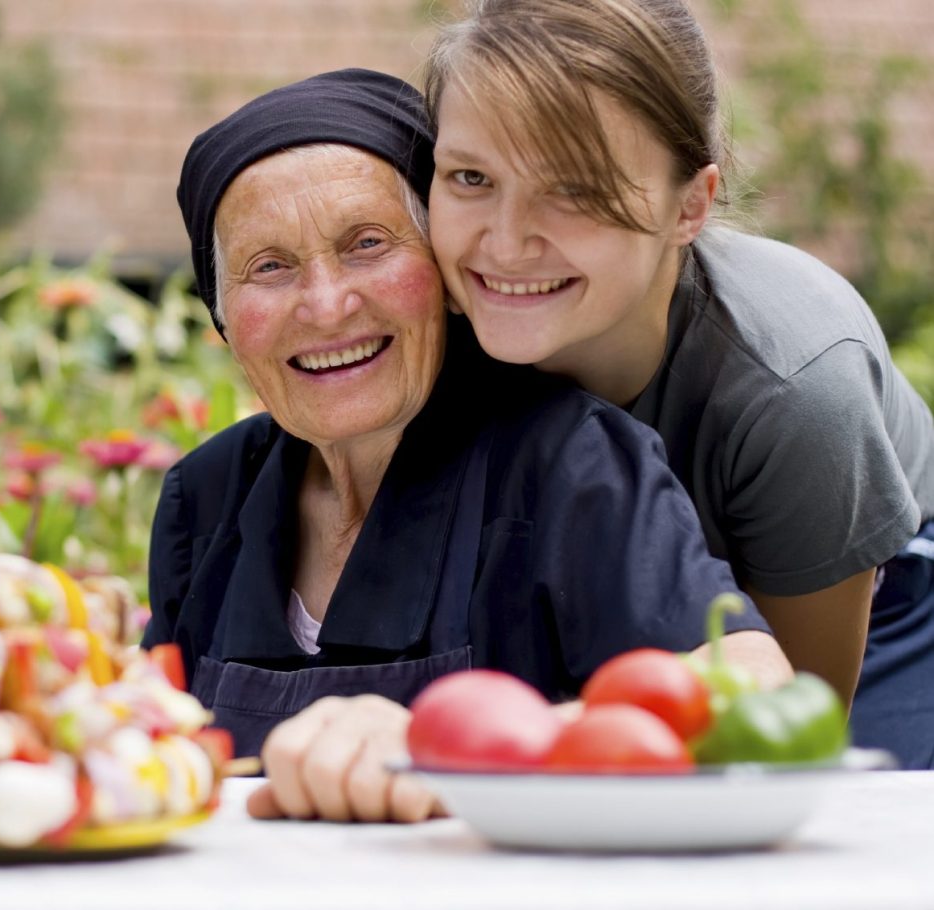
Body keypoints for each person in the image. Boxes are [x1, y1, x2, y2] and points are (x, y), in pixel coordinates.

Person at [144, 68, 793, 822]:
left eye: (367, 244)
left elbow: (753, 686)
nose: (325, 306)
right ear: (223, 318)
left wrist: (458, 744)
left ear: (445, 272)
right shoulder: (208, 496)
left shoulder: (567, 462)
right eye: (270, 267)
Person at [423, 0, 934, 768]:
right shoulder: (435, 319)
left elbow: (787, 721)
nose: (505, 241)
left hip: (876, 602)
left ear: (689, 205)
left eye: (575, 190)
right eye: (470, 177)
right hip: (625, 591)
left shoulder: (794, 387)